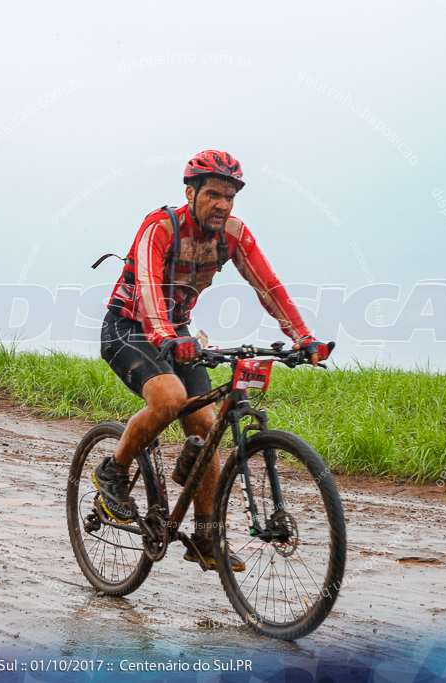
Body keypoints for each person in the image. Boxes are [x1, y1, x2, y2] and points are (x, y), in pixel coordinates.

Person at [94, 150, 330, 571]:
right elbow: (148, 285)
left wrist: (304, 338)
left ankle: (206, 537)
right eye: (214, 195)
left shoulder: (234, 235)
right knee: (170, 399)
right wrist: (164, 335)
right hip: (128, 325)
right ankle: (113, 470)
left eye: (230, 197)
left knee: (205, 425)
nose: (223, 204)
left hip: (177, 329)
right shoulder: (160, 226)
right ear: (191, 192)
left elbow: (269, 287)